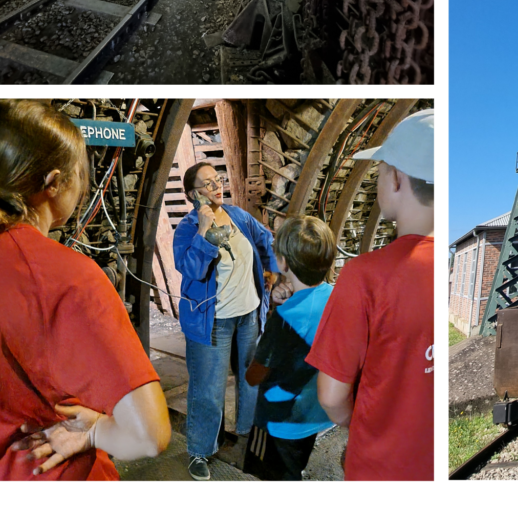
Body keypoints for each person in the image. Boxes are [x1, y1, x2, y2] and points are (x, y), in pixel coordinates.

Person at [0, 100, 171, 480]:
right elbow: (149, 435)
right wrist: (94, 430)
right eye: (80, 173)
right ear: (54, 182)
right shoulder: (64, 276)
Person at [306, 108, 435, 481]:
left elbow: (331, 397)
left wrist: (358, 423)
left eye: (379, 172)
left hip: (380, 467)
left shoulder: (364, 275)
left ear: (396, 179)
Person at [173, 162, 279, 481]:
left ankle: (246, 432)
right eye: (208, 183)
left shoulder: (238, 215)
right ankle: (200, 450)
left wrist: (273, 271)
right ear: (194, 194)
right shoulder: (187, 228)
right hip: (213, 320)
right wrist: (204, 231)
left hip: (249, 313)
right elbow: (191, 269)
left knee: (250, 377)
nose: (218, 185)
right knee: (208, 387)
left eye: (218, 179)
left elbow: (265, 239)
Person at [243, 216, 336, 481]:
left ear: (282, 262)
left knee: (275, 477)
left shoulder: (284, 320)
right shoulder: (337, 297)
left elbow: (254, 376)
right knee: (294, 468)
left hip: (279, 421)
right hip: (313, 413)